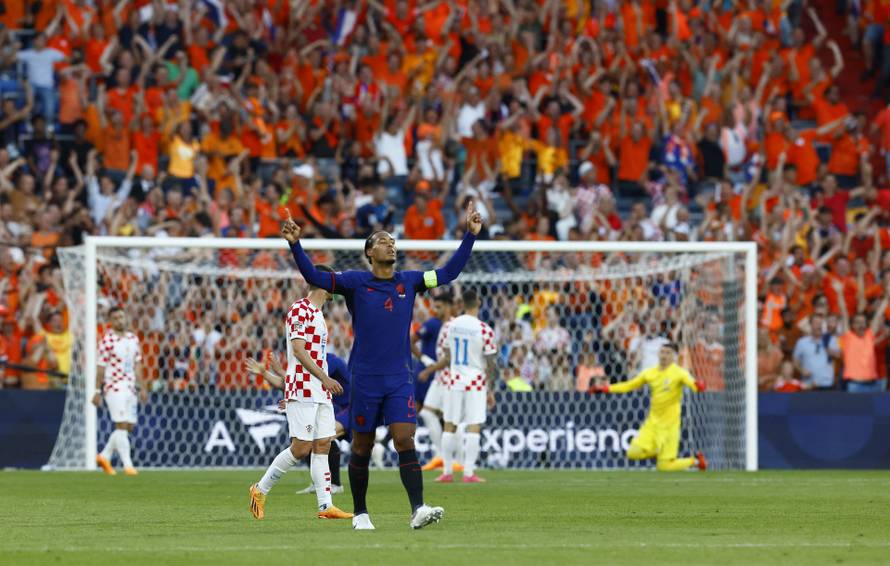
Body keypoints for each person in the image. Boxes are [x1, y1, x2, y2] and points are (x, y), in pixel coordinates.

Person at [282, 201, 482, 530]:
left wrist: (470, 236)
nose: (390, 243)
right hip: (365, 379)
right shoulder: (354, 282)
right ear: (369, 252)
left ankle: (417, 508)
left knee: (405, 439)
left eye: (392, 240)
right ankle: (360, 513)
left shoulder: (411, 281)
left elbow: (448, 273)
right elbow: (313, 276)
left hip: (399, 379)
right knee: (363, 444)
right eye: (382, 240)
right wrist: (295, 245)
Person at [247, 264, 353, 521]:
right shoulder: (300, 309)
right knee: (301, 447)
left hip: (319, 389)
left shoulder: (318, 314)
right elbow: (298, 349)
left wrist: (323, 381)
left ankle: (325, 505)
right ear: (325, 284)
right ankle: (259, 490)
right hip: (305, 386)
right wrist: (325, 377)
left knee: (323, 444)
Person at [246, 351, 351, 496]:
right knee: (307, 438)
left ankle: (335, 484)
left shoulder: (327, 360)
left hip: (350, 407)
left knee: (324, 437)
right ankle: (320, 486)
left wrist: (281, 371)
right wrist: (264, 373)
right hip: (329, 405)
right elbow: (288, 385)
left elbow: (311, 382)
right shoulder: (304, 361)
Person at [594, 343, 708, 472]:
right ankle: (657, 450)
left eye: (668, 353)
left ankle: (696, 461)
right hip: (652, 424)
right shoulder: (650, 373)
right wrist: (607, 388)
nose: (664, 355)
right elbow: (629, 385)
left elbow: (693, 384)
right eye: (662, 352)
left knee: (664, 467)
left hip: (670, 427)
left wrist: (698, 386)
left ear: (674, 356)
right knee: (632, 453)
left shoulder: (679, 373)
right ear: (658, 354)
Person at [435, 289, 497, 483]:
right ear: (478, 302)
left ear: (461, 303)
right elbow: (491, 362)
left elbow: (446, 353)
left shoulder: (450, 326)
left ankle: (446, 472)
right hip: (476, 382)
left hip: (454, 380)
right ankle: (468, 473)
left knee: (449, 424)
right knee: (473, 425)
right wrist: (491, 388)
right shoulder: (484, 329)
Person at [93, 306, 147, 476]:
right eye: (116, 318)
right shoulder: (107, 341)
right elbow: (100, 368)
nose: (120, 320)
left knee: (129, 426)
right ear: (110, 321)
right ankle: (128, 465)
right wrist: (97, 390)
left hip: (130, 387)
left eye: (122, 317)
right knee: (121, 424)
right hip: (114, 387)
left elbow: (137, 365)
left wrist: (143, 387)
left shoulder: (133, 339)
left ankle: (104, 456)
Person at [412, 290, 451, 469]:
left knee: (441, 414)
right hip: (427, 373)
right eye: (434, 306)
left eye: (439, 306)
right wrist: (425, 360)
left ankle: (445, 456)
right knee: (423, 410)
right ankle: (439, 455)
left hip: (444, 374)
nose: (435, 310)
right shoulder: (432, 324)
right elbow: (411, 341)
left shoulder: (451, 325)